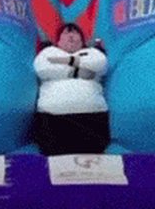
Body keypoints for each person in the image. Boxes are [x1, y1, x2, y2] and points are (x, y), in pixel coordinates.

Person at [33, 23, 109, 155]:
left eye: (75, 33)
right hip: (52, 120)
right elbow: (43, 68)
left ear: (82, 40)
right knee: (54, 158)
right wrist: (79, 72)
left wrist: (63, 62)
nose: (71, 36)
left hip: (93, 118)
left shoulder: (92, 52)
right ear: (58, 41)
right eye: (66, 33)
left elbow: (99, 64)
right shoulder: (48, 52)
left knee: (93, 159)